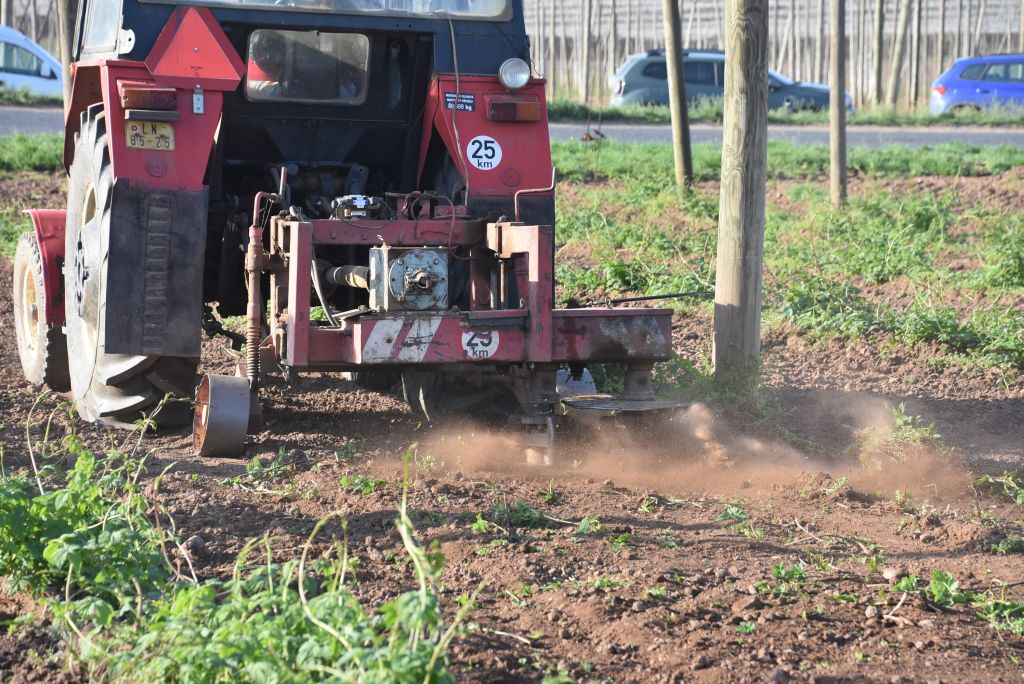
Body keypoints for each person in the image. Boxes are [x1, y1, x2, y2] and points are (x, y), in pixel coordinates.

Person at [248, 31, 287, 98]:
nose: (268, 56)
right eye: (264, 49)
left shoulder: (289, 72)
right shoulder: (247, 70)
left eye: (276, 49)